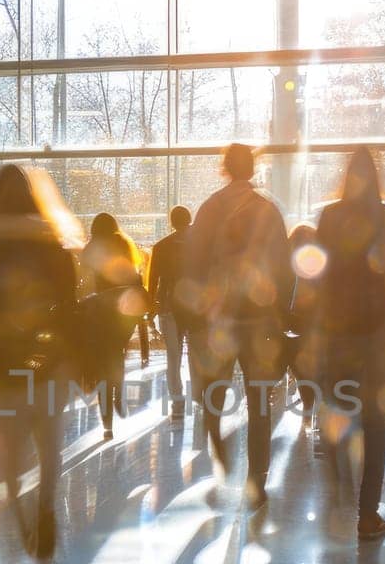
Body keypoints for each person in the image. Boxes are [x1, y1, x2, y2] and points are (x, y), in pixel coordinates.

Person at [0, 165, 79, 558]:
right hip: (50, 360)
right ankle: (46, 508)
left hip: (5, 367)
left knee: (9, 451)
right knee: (50, 445)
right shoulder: (52, 242)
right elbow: (70, 306)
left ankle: (24, 522)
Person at [312, 147, 385, 540]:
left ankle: (339, 498)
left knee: (336, 416)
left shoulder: (329, 217)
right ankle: (367, 514)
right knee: (375, 426)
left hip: (337, 336)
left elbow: (316, 276)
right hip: (377, 337)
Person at [185, 143, 291, 509]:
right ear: (254, 168)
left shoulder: (210, 208)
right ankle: (257, 478)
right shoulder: (267, 209)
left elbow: (193, 263)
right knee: (259, 398)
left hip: (220, 317)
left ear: (225, 167)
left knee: (215, 387)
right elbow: (284, 266)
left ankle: (216, 435)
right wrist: (280, 310)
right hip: (259, 318)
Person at [79, 212, 147, 440]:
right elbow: (135, 277)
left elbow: (83, 281)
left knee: (102, 359)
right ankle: (118, 389)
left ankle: (107, 420)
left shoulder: (91, 248)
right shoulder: (125, 244)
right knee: (117, 352)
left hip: (99, 311)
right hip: (124, 310)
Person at [147, 204, 193, 416]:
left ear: (172, 222)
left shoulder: (160, 246)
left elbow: (153, 280)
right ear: (189, 219)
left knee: (173, 356)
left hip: (168, 304)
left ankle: (177, 400)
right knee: (196, 352)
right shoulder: (200, 245)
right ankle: (202, 395)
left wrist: (150, 307)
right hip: (194, 306)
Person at [286, 222, 323, 442]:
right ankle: (312, 407)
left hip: (297, 322)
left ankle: (309, 406)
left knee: (301, 368)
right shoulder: (319, 262)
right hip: (312, 323)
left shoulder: (291, 264)